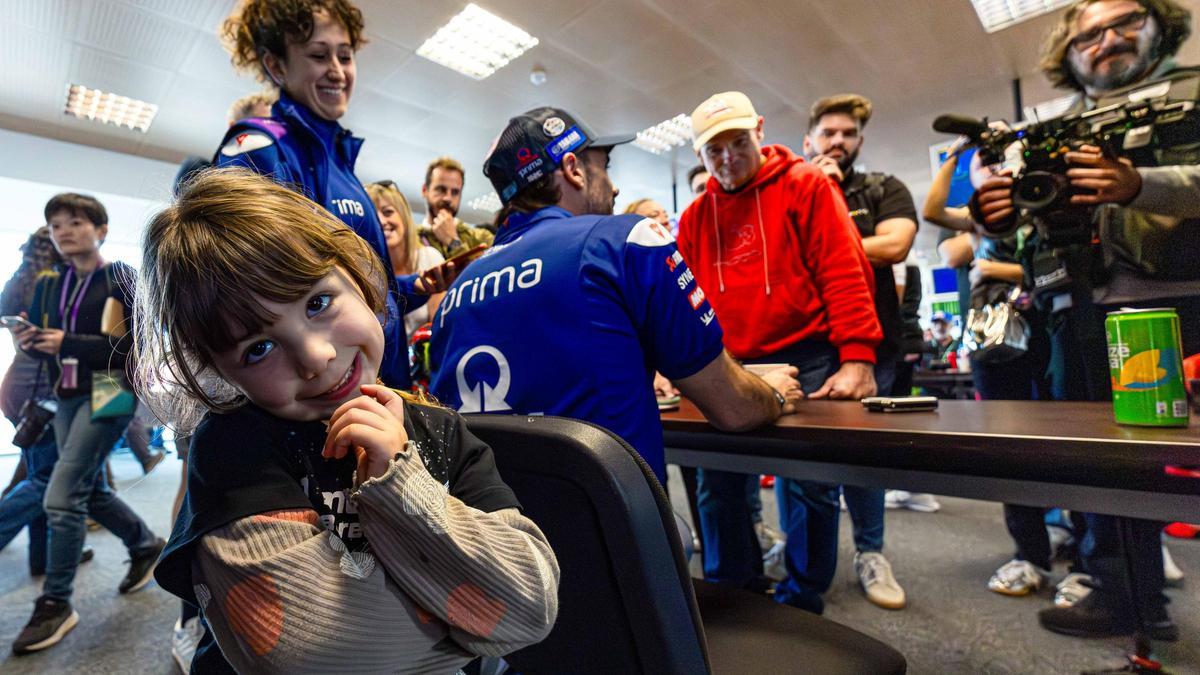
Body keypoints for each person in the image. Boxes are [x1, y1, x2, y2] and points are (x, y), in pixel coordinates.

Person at [136, 168, 559, 672]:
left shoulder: (439, 428)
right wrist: (475, 627)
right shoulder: (235, 448)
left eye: (318, 302)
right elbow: (307, 655)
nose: (315, 357)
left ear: (357, 278)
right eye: (259, 348)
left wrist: (400, 485)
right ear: (222, 373)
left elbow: (531, 604)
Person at [428, 105, 804, 490]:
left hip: (494, 541)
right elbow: (733, 409)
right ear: (573, 169)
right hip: (614, 540)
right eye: (604, 167)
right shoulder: (625, 241)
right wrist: (774, 391)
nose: (615, 187)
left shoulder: (454, 295)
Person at [970, 0, 1194, 641]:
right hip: (1082, 308)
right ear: (1067, 55)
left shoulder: (1191, 92)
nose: (1108, 41)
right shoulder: (1061, 131)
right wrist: (999, 215)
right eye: (1088, 34)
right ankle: (1124, 592)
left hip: (1181, 299)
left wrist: (1139, 185)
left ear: (1161, 24)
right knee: (1101, 458)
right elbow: (1034, 217)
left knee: (1173, 460)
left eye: (1126, 21)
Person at [677, 91, 881, 615]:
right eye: (713, 151)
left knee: (811, 486)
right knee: (717, 486)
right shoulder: (696, 216)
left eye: (737, 143)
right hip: (727, 363)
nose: (727, 159)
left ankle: (801, 597)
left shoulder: (806, 185)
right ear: (698, 155)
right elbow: (680, 297)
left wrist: (857, 356)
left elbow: (843, 268)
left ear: (760, 132)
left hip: (806, 354)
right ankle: (732, 590)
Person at [214, 0, 451, 389]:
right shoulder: (260, 148)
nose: (338, 71)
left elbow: (365, 291)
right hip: (331, 391)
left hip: (381, 383)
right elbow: (271, 293)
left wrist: (415, 287)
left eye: (345, 55)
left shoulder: (339, 162)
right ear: (276, 66)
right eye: (319, 55)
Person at [9, 193, 164, 655]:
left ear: (100, 229)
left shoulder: (119, 275)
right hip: (67, 392)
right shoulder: (50, 284)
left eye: (74, 222)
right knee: (87, 489)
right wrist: (31, 340)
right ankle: (143, 545)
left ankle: (56, 600)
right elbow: (44, 348)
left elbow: (133, 346)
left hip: (111, 387)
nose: (63, 231)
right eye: (55, 225)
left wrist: (66, 341)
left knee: (61, 495)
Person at [802, 93, 918, 610]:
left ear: (860, 142)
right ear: (810, 141)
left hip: (874, 344)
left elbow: (895, 246)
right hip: (809, 345)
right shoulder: (792, 191)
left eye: (847, 134)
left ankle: (871, 552)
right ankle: (810, 565)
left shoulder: (883, 188)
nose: (838, 142)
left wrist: (825, 227)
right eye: (828, 133)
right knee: (812, 462)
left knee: (864, 456)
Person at [367, 181, 446, 335]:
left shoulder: (429, 258)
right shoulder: (368, 271)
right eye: (374, 215)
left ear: (403, 216)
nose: (382, 221)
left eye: (388, 212)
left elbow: (440, 325)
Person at [420, 156, 495, 259]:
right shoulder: (411, 239)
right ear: (425, 190)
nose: (448, 198)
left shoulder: (481, 238)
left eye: (455, 192)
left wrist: (453, 243)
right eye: (441, 189)